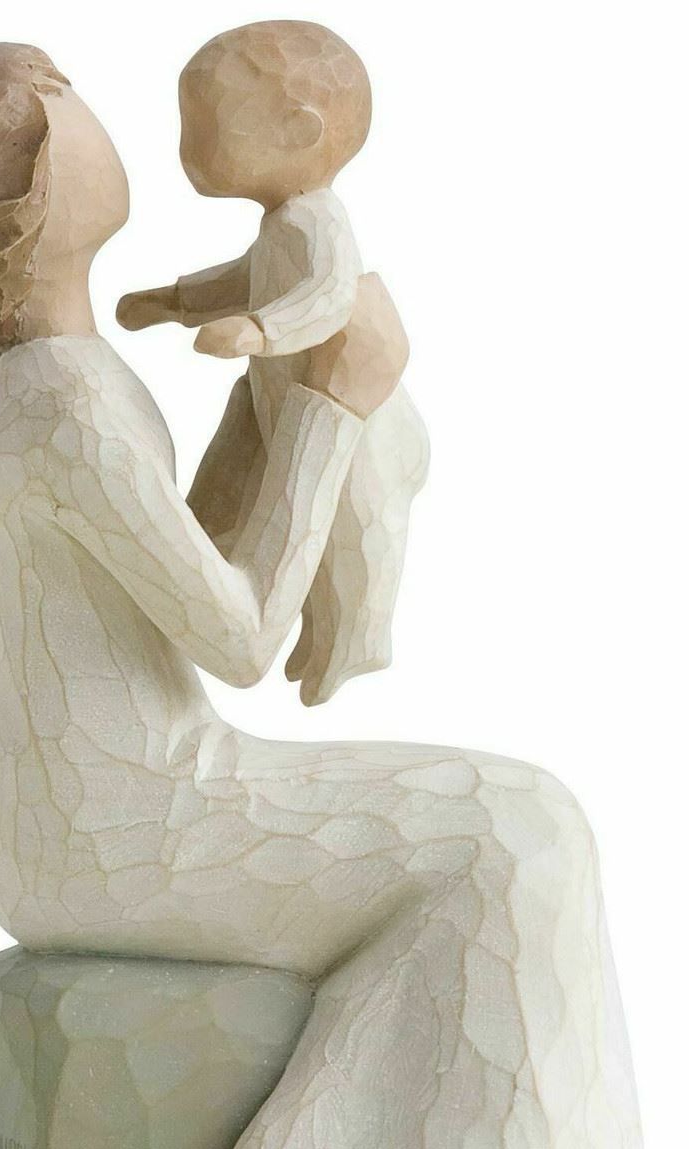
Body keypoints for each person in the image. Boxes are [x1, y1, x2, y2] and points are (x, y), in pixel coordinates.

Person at [0, 43, 640, 1149]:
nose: (100, 114)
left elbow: (187, 560)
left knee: (508, 819)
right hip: (125, 820)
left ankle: (355, 1143)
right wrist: (332, 403)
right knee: (516, 821)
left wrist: (273, 401)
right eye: (64, 107)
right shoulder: (58, 403)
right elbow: (238, 632)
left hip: (94, 813)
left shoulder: (57, 384)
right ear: (27, 199)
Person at [119, 21, 430, 705]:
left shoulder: (319, 222)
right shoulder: (283, 226)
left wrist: (262, 330)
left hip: (358, 427)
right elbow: (245, 276)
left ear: (297, 132)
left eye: (204, 128)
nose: (187, 146)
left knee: (354, 546)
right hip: (286, 403)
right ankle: (286, 620)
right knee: (277, 522)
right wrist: (176, 300)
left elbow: (330, 296)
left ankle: (353, 646)